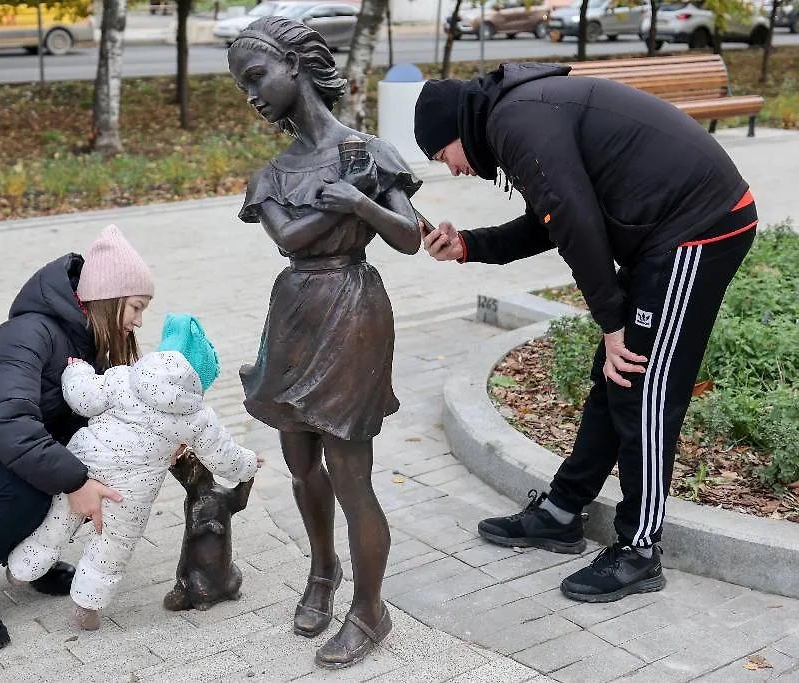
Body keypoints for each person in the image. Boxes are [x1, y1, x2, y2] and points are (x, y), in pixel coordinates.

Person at [413, 64, 757, 603]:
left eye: (441, 157)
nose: (451, 170)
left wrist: (613, 321)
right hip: (665, 231)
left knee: (641, 386)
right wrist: (467, 246)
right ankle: (561, 511)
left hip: (700, 227)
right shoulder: (515, 116)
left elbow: (573, 218)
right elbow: (551, 219)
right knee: (615, 375)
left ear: (455, 132)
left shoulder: (515, 121)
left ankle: (641, 551)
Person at [228, 17, 422, 669]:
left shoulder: (368, 151)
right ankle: (322, 569)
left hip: (353, 307)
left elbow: (408, 236)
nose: (250, 94)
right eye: (241, 85)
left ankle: (371, 609)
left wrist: (362, 202)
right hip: (293, 310)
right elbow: (289, 239)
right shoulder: (274, 173)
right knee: (300, 461)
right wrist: (348, 198)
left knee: (350, 473)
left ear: (295, 66)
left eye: (256, 77)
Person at [0, 224, 156, 653]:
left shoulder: (90, 340)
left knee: (83, 462)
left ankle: (33, 557)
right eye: (134, 307)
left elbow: (105, 411)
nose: (138, 321)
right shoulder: (28, 334)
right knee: (43, 480)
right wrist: (75, 482)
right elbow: (8, 426)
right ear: (107, 300)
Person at [6, 313, 261, 631]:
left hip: (83, 471)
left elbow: (82, 397)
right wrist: (248, 463)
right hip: (129, 494)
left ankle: (21, 570)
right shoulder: (197, 415)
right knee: (113, 546)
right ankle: (87, 605)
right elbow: (223, 456)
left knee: (55, 523)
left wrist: (77, 369)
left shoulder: (123, 378)